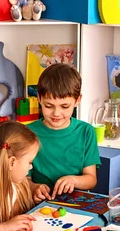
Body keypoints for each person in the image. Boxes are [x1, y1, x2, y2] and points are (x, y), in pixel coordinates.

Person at [28, 63, 101, 202]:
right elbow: (23, 179)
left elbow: (91, 179)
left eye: (64, 106)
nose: (56, 113)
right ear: (39, 98)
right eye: (49, 106)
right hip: (40, 204)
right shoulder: (28, 133)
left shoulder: (86, 132)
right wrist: (33, 187)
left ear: (77, 100)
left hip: (76, 204)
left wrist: (73, 180)